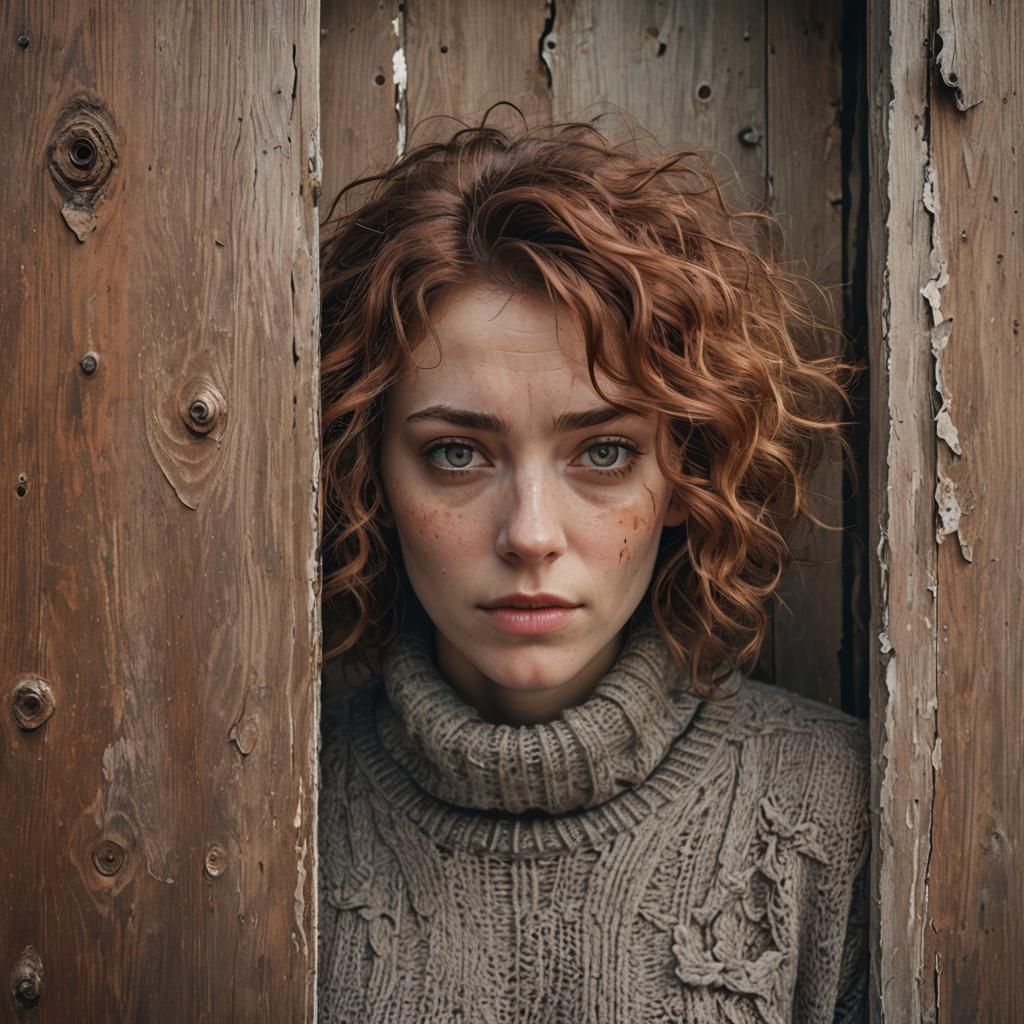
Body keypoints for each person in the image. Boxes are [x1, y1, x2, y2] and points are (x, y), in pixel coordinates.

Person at [317, 111, 870, 1023]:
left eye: (603, 453)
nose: (531, 534)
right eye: (457, 454)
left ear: (685, 472)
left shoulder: (842, 814)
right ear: (366, 473)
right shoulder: (267, 815)